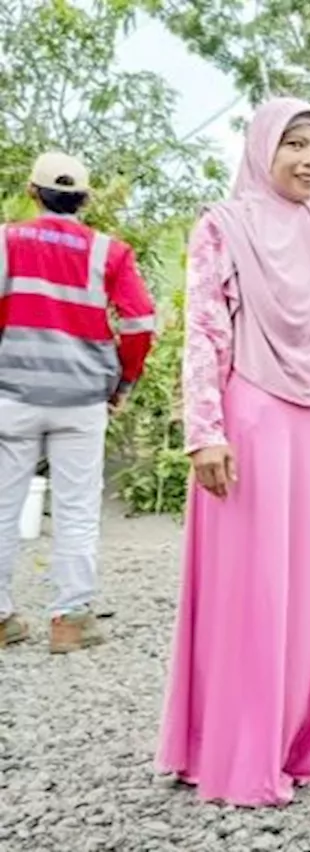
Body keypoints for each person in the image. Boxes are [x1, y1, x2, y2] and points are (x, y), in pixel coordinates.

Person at [156, 97, 310, 806]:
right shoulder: (224, 226)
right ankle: (240, 751)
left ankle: (306, 739)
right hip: (253, 419)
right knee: (256, 590)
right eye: (297, 144)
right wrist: (205, 432)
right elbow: (203, 330)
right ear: (263, 148)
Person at [0, 151, 155, 653]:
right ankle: (69, 619)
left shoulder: (6, 240)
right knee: (77, 508)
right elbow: (139, 322)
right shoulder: (109, 252)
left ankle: (1, 619)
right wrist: (124, 383)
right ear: (85, 200)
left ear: (32, 192)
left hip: (12, 394)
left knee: (3, 505)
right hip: (83, 399)